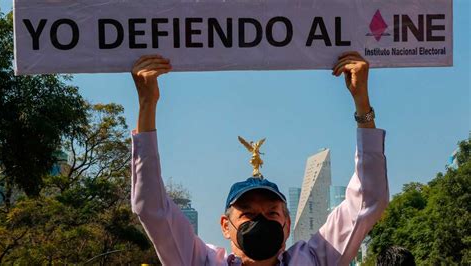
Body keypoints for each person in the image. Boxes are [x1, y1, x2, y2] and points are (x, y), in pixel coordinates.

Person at [130, 51, 389, 265]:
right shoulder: (203, 262)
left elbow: (368, 198)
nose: (260, 221)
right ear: (225, 225)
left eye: (271, 213)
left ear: (287, 226)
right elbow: (152, 209)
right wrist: (147, 104)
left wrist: (362, 102)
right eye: (248, 214)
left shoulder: (313, 260)